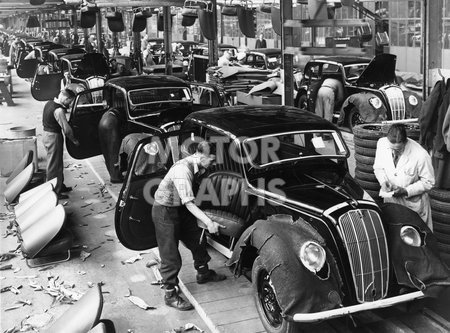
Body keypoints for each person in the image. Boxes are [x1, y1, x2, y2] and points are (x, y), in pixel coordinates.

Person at [151, 141, 226, 311]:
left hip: (180, 208)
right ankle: (170, 294)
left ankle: (203, 273)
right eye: (211, 160)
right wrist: (208, 222)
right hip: (165, 210)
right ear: (200, 155)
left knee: (197, 239)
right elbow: (190, 203)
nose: (213, 164)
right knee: (170, 254)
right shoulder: (182, 170)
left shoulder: (199, 167)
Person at [373, 124, 435, 229]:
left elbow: (429, 182)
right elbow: (378, 168)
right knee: (394, 234)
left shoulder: (421, 155)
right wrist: (383, 182)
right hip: (391, 202)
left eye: (398, 150)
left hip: (414, 205)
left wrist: (406, 191)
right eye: (392, 149)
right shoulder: (382, 144)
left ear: (405, 142)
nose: (394, 152)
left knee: (415, 237)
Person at [42, 89, 80, 199]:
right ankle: (53, 192)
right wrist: (74, 140)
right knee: (54, 166)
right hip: (53, 137)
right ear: (66, 98)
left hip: (47, 134)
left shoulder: (49, 103)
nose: (70, 104)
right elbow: (67, 130)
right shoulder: (58, 110)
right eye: (70, 101)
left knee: (57, 163)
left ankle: (60, 186)